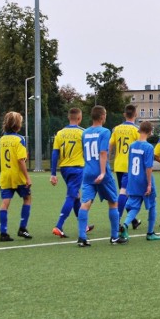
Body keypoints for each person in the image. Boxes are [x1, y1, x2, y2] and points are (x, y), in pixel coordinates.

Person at [77, 105, 125, 246]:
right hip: (101, 172)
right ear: (102, 116)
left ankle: (82, 237)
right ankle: (114, 237)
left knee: (85, 203)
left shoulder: (85, 133)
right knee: (113, 202)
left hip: (87, 172)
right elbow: (103, 152)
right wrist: (103, 172)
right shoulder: (105, 132)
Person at [50, 107, 94, 238]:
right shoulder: (84, 133)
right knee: (71, 195)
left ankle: (84, 225)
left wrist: (53, 173)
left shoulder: (60, 133)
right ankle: (59, 225)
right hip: (77, 169)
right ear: (79, 119)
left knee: (76, 196)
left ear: (68, 117)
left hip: (64, 169)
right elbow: (89, 153)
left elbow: (54, 154)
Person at [123, 121, 160, 241]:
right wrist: (149, 184)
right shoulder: (149, 147)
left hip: (133, 179)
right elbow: (148, 167)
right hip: (143, 179)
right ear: (150, 132)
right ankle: (150, 233)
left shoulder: (132, 146)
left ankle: (125, 225)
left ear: (139, 130)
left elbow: (130, 164)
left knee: (135, 206)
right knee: (152, 205)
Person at [0, 111, 33, 241]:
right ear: (18, 124)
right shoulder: (20, 139)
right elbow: (20, 160)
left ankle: (3, 232)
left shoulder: (2, 139)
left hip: (5, 175)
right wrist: (27, 177)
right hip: (17, 175)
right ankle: (22, 228)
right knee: (27, 198)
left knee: (5, 203)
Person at [110, 104, 141, 231]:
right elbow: (141, 147)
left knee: (125, 193)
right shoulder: (136, 130)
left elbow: (110, 145)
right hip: (131, 166)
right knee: (124, 192)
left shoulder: (116, 129)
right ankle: (116, 222)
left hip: (118, 164)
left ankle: (133, 220)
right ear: (136, 114)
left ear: (124, 115)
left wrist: (108, 159)